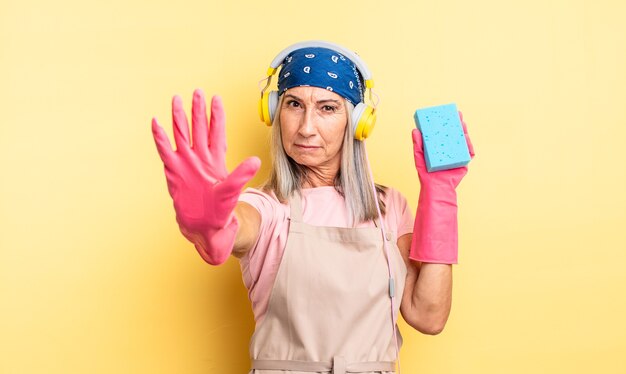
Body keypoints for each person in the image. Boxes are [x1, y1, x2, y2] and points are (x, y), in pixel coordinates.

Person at [151, 40, 474, 374]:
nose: (306, 127)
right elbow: (236, 227)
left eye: (327, 108)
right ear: (275, 111)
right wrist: (210, 226)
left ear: (358, 121)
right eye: (294, 104)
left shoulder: (388, 207)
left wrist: (440, 195)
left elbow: (428, 315)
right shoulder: (267, 207)